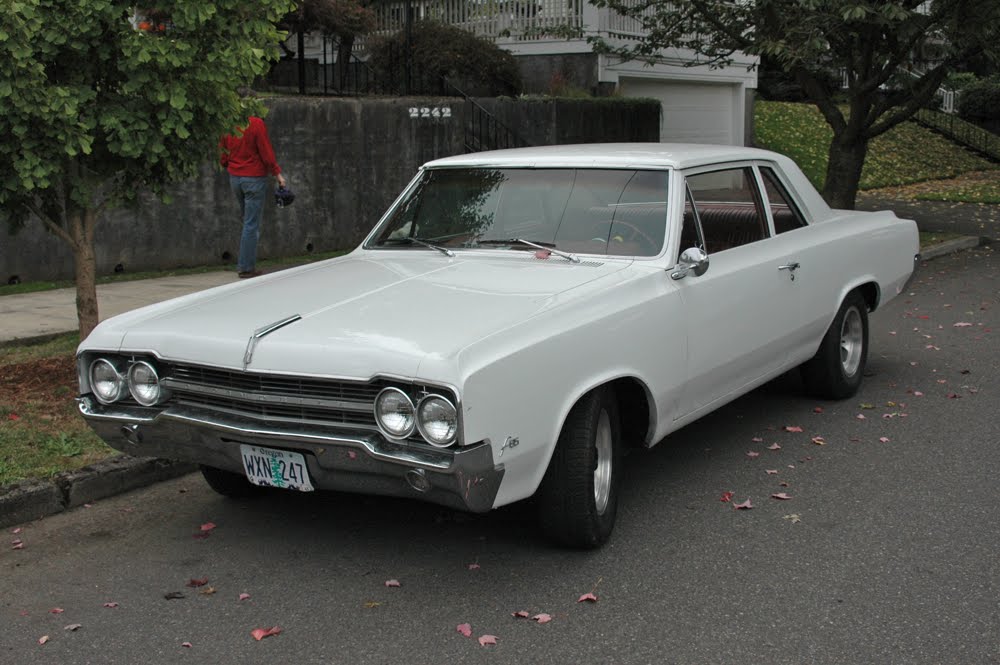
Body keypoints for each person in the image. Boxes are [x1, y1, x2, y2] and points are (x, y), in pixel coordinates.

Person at [219, 115, 286, 278]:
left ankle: (245, 264)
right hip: (254, 177)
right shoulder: (256, 123)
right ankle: (246, 267)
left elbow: (223, 150)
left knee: (247, 221)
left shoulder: (228, 121)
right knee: (251, 224)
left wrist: (227, 164)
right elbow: (266, 152)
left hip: (235, 177)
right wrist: (277, 173)